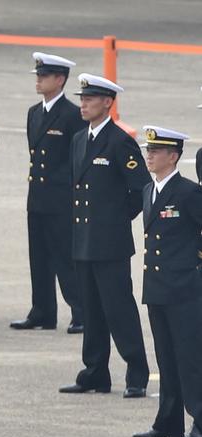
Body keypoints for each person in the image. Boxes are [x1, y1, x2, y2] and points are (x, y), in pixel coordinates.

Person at [58, 74, 150, 398]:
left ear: (107, 102)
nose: (83, 103)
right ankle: (95, 371)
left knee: (119, 308)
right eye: (82, 98)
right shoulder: (79, 140)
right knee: (91, 309)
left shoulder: (119, 141)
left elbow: (141, 190)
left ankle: (137, 371)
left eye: (90, 98)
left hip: (109, 243)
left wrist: (115, 220)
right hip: (83, 240)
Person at [130, 127, 202, 437]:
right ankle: (169, 420)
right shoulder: (149, 190)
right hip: (158, 288)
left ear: (173, 156)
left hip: (185, 288)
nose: (149, 155)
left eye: (156, 151)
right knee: (166, 357)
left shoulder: (188, 193)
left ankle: (199, 420)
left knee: (190, 357)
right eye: (148, 150)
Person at [11, 52, 85, 334]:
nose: (38, 81)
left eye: (44, 76)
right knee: (38, 257)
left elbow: (76, 159)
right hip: (37, 197)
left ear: (60, 79)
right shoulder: (34, 112)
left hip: (60, 199)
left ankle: (80, 311)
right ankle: (42, 311)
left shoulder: (71, 114)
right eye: (38, 76)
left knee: (65, 258)